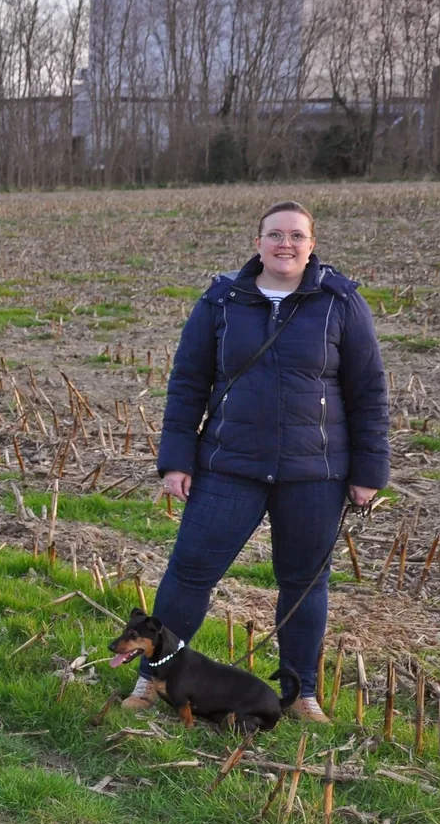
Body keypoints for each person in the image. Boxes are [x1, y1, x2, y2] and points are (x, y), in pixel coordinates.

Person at [134, 200, 390, 722]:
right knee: (189, 573)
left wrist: (368, 472)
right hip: (230, 467)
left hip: (315, 475)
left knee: (305, 584)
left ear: (311, 245)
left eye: (297, 236)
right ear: (258, 243)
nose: (285, 244)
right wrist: (176, 461)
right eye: (275, 234)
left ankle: (304, 695)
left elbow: (368, 391)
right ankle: (149, 680)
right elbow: (187, 382)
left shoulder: (340, 302)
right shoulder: (223, 299)